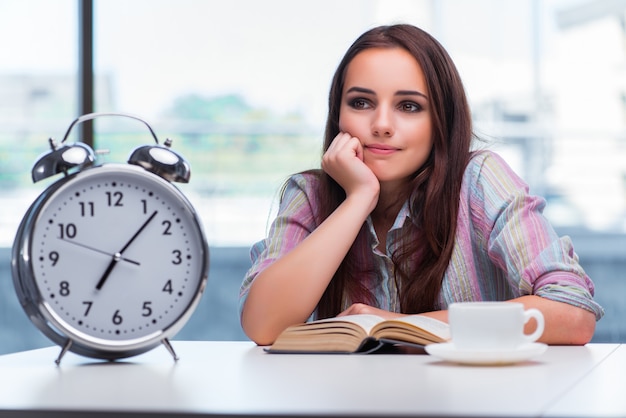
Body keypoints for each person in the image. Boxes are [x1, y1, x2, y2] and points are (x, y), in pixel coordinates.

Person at [239, 24, 604, 346]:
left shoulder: (477, 180)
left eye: (409, 106)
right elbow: (262, 325)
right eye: (361, 102)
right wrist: (358, 198)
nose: (381, 124)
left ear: (439, 121)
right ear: (338, 114)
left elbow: (572, 312)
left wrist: (400, 328)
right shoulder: (310, 194)